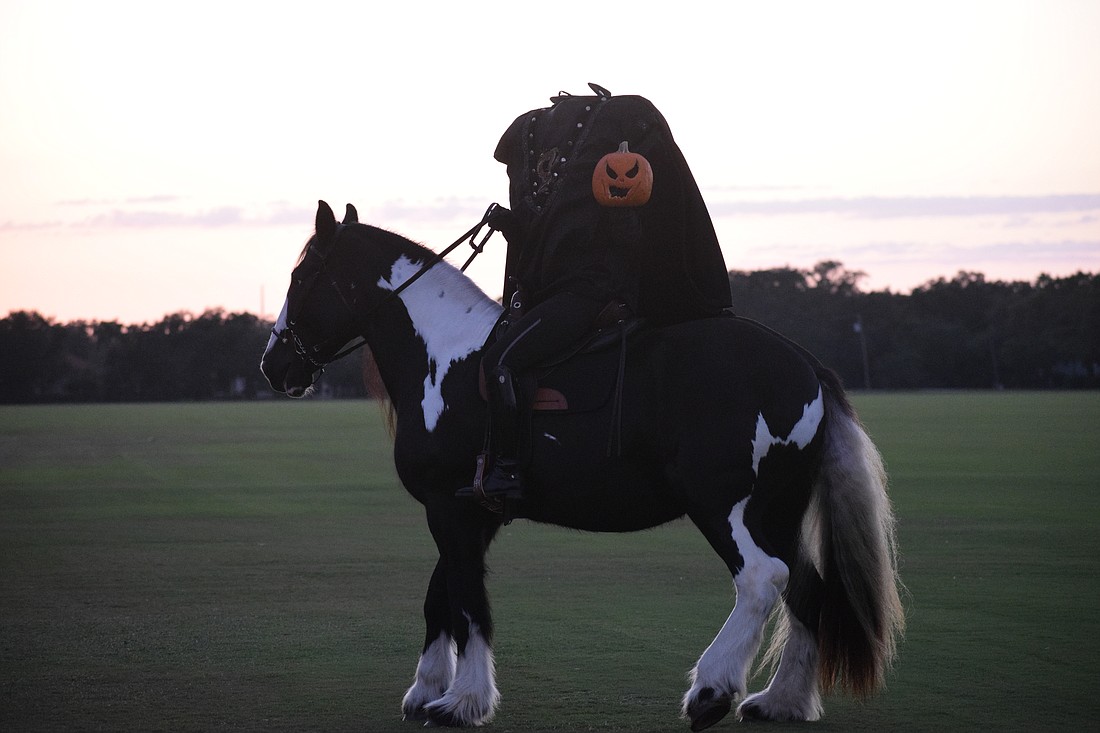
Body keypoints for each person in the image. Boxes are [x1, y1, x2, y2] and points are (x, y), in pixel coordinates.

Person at [461, 84, 732, 501]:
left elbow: (616, 253)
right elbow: (543, 244)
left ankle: (508, 472)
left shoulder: (614, 203)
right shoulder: (560, 211)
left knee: (501, 362)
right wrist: (510, 225)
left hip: (585, 296)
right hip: (561, 293)